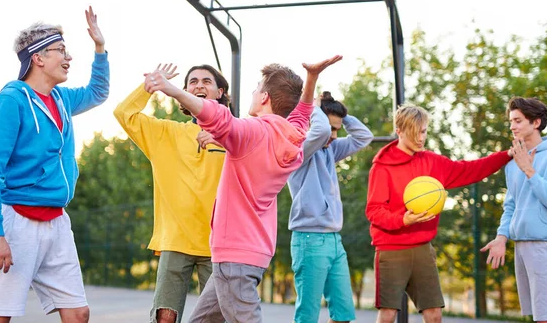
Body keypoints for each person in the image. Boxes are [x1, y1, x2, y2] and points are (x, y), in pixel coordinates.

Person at [143, 55, 342, 323]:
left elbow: (215, 115)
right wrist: (311, 79)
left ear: (264, 98)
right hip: (247, 253)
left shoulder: (251, 133)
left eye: (257, 87)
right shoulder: (291, 135)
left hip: (234, 257)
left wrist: (170, 88)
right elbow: (303, 111)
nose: (252, 91)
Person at [0, 6, 109, 323]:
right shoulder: (11, 101)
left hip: (57, 222)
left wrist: (99, 49)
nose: (68, 57)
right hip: (17, 221)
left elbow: (98, 92)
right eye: (60, 50)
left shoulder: (61, 98)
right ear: (38, 58)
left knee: (78, 313)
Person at [365, 104, 512, 323]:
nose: (420, 138)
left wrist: (506, 155)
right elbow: (374, 210)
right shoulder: (382, 167)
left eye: (423, 131)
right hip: (391, 249)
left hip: (423, 248)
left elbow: (469, 169)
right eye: (415, 132)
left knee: (434, 315)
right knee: (387, 315)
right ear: (400, 130)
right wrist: (402, 219)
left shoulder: (432, 162)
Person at [113, 63, 230, 323]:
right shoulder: (165, 133)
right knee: (165, 317)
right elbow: (124, 113)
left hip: (219, 243)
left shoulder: (235, 134)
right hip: (176, 239)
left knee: (216, 319)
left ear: (220, 91)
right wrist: (148, 87)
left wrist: (224, 137)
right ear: (183, 91)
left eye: (207, 81)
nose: (199, 85)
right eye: (193, 81)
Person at [287, 91, 373, 323]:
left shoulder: (330, 150)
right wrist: (314, 107)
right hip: (309, 240)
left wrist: (340, 114)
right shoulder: (298, 150)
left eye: (337, 129)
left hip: (335, 241)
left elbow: (363, 137)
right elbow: (321, 131)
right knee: (307, 316)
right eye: (331, 129)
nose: (335, 135)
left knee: (344, 314)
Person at [481, 97, 547, 323]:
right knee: (537, 317)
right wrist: (501, 237)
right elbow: (511, 205)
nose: (512, 126)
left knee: (546, 318)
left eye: (518, 121)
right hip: (522, 243)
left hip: (546, 244)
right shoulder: (513, 161)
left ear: (536, 122)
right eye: (511, 121)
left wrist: (529, 170)